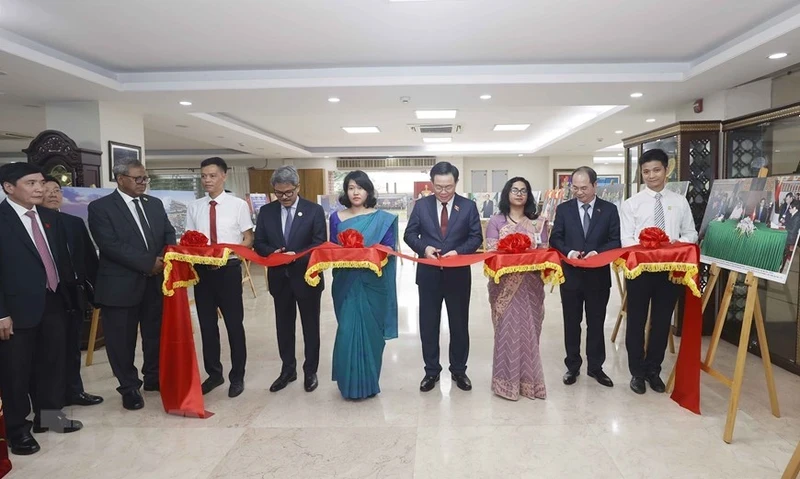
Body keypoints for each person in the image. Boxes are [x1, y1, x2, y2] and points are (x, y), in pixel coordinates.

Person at [0, 163, 83, 456]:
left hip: (53, 301)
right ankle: (17, 430)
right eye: (31, 183)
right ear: (9, 187)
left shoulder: (50, 218)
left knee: (52, 364)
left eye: (40, 183)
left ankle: (48, 418)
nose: (40, 188)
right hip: (14, 309)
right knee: (16, 372)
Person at [88, 159, 176, 410]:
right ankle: (129, 388)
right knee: (121, 341)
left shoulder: (154, 204)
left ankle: (153, 377)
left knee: (154, 334)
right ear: (120, 179)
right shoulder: (100, 208)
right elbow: (110, 245)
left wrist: (162, 259)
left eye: (145, 178)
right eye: (138, 178)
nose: (143, 183)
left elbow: (168, 234)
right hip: (120, 286)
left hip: (155, 283)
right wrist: (149, 263)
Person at [620, 148, 698, 395]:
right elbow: (625, 240)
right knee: (636, 321)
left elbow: (691, 233)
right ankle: (637, 373)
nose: (651, 176)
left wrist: (675, 244)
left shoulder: (679, 201)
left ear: (667, 170)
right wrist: (647, 247)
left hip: (670, 271)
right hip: (639, 271)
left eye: (656, 170)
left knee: (662, 321)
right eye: (646, 171)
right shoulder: (631, 204)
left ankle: (654, 369)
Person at [403, 162, 482, 392]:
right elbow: (409, 234)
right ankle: (431, 371)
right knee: (429, 325)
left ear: (456, 183)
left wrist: (458, 252)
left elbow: (476, 237)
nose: (444, 191)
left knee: (459, 325)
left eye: (448, 186)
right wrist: (424, 248)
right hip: (429, 275)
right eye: (439, 187)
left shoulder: (468, 206)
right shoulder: (421, 206)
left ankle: (459, 370)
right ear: (432, 184)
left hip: (457, 275)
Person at [185, 157, 254, 398]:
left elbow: (248, 237)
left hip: (228, 270)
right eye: (204, 176)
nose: (207, 180)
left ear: (224, 176)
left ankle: (238, 375)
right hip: (203, 273)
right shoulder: (194, 207)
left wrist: (234, 251)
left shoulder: (238, 205)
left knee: (234, 324)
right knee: (207, 325)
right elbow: (189, 240)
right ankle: (214, 374)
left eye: (212, 175)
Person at [254, 166, 326, 393]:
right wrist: (275, 253)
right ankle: (288, 370)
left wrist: (296, 256)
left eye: (288, 193)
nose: (284, 197)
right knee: (284, 327)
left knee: (310, 326)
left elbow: (319, 243)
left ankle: (310, 371)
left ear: (298, 187)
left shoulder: (313, 210)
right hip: (280, 279)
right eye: (278, 193)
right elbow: (259, 243)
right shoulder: (266, 212)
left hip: (307, 277)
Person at [328, 170, 398, 399]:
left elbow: (388, 250)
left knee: (372, 334)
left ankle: (368, 384)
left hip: (373, 284)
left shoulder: (383, 218)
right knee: (347, 331)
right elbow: (332, 249)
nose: (355, 192)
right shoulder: (336, 218)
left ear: (368, 191)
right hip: (345, 283)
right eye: (350, 187)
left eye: (360, 187)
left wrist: (365, 253)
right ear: (345, 191)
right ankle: (349, 385)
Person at [550, 167, 621, 388]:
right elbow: (556, 238)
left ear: (594, 185)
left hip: (597, 277)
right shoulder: (564, 209)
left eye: (583, 188)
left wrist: (597, 254)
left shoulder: (609, 210)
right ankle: (572, 366)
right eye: (575, 187)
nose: (579, 192)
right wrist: (569, 252)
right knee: (572, 323)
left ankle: (596, 367)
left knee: (596, 323)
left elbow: (615, 241)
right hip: (570, 276)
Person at [41, 177, 104, 407]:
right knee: (50, 352)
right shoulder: (34, 224)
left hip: (73, 293)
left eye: (56, 190)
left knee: (72, 345)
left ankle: (74, 392)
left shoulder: (73, 222)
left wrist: (97, 293)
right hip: (47, 297)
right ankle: (51, 404)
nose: (52, 194)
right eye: (46, 190)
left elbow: (88, 258)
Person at [485, 177, 547, 400]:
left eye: (524, 190)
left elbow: (544, 252)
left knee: (530, 329)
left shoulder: (538, 222)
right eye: (514, 190)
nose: (519, 194)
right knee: (506, 331)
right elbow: (492, 253)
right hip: (504, 285)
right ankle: (505, 383)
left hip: (531, 284)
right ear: (506, 193)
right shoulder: (496, 221)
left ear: (529, 195)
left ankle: (529, 383)